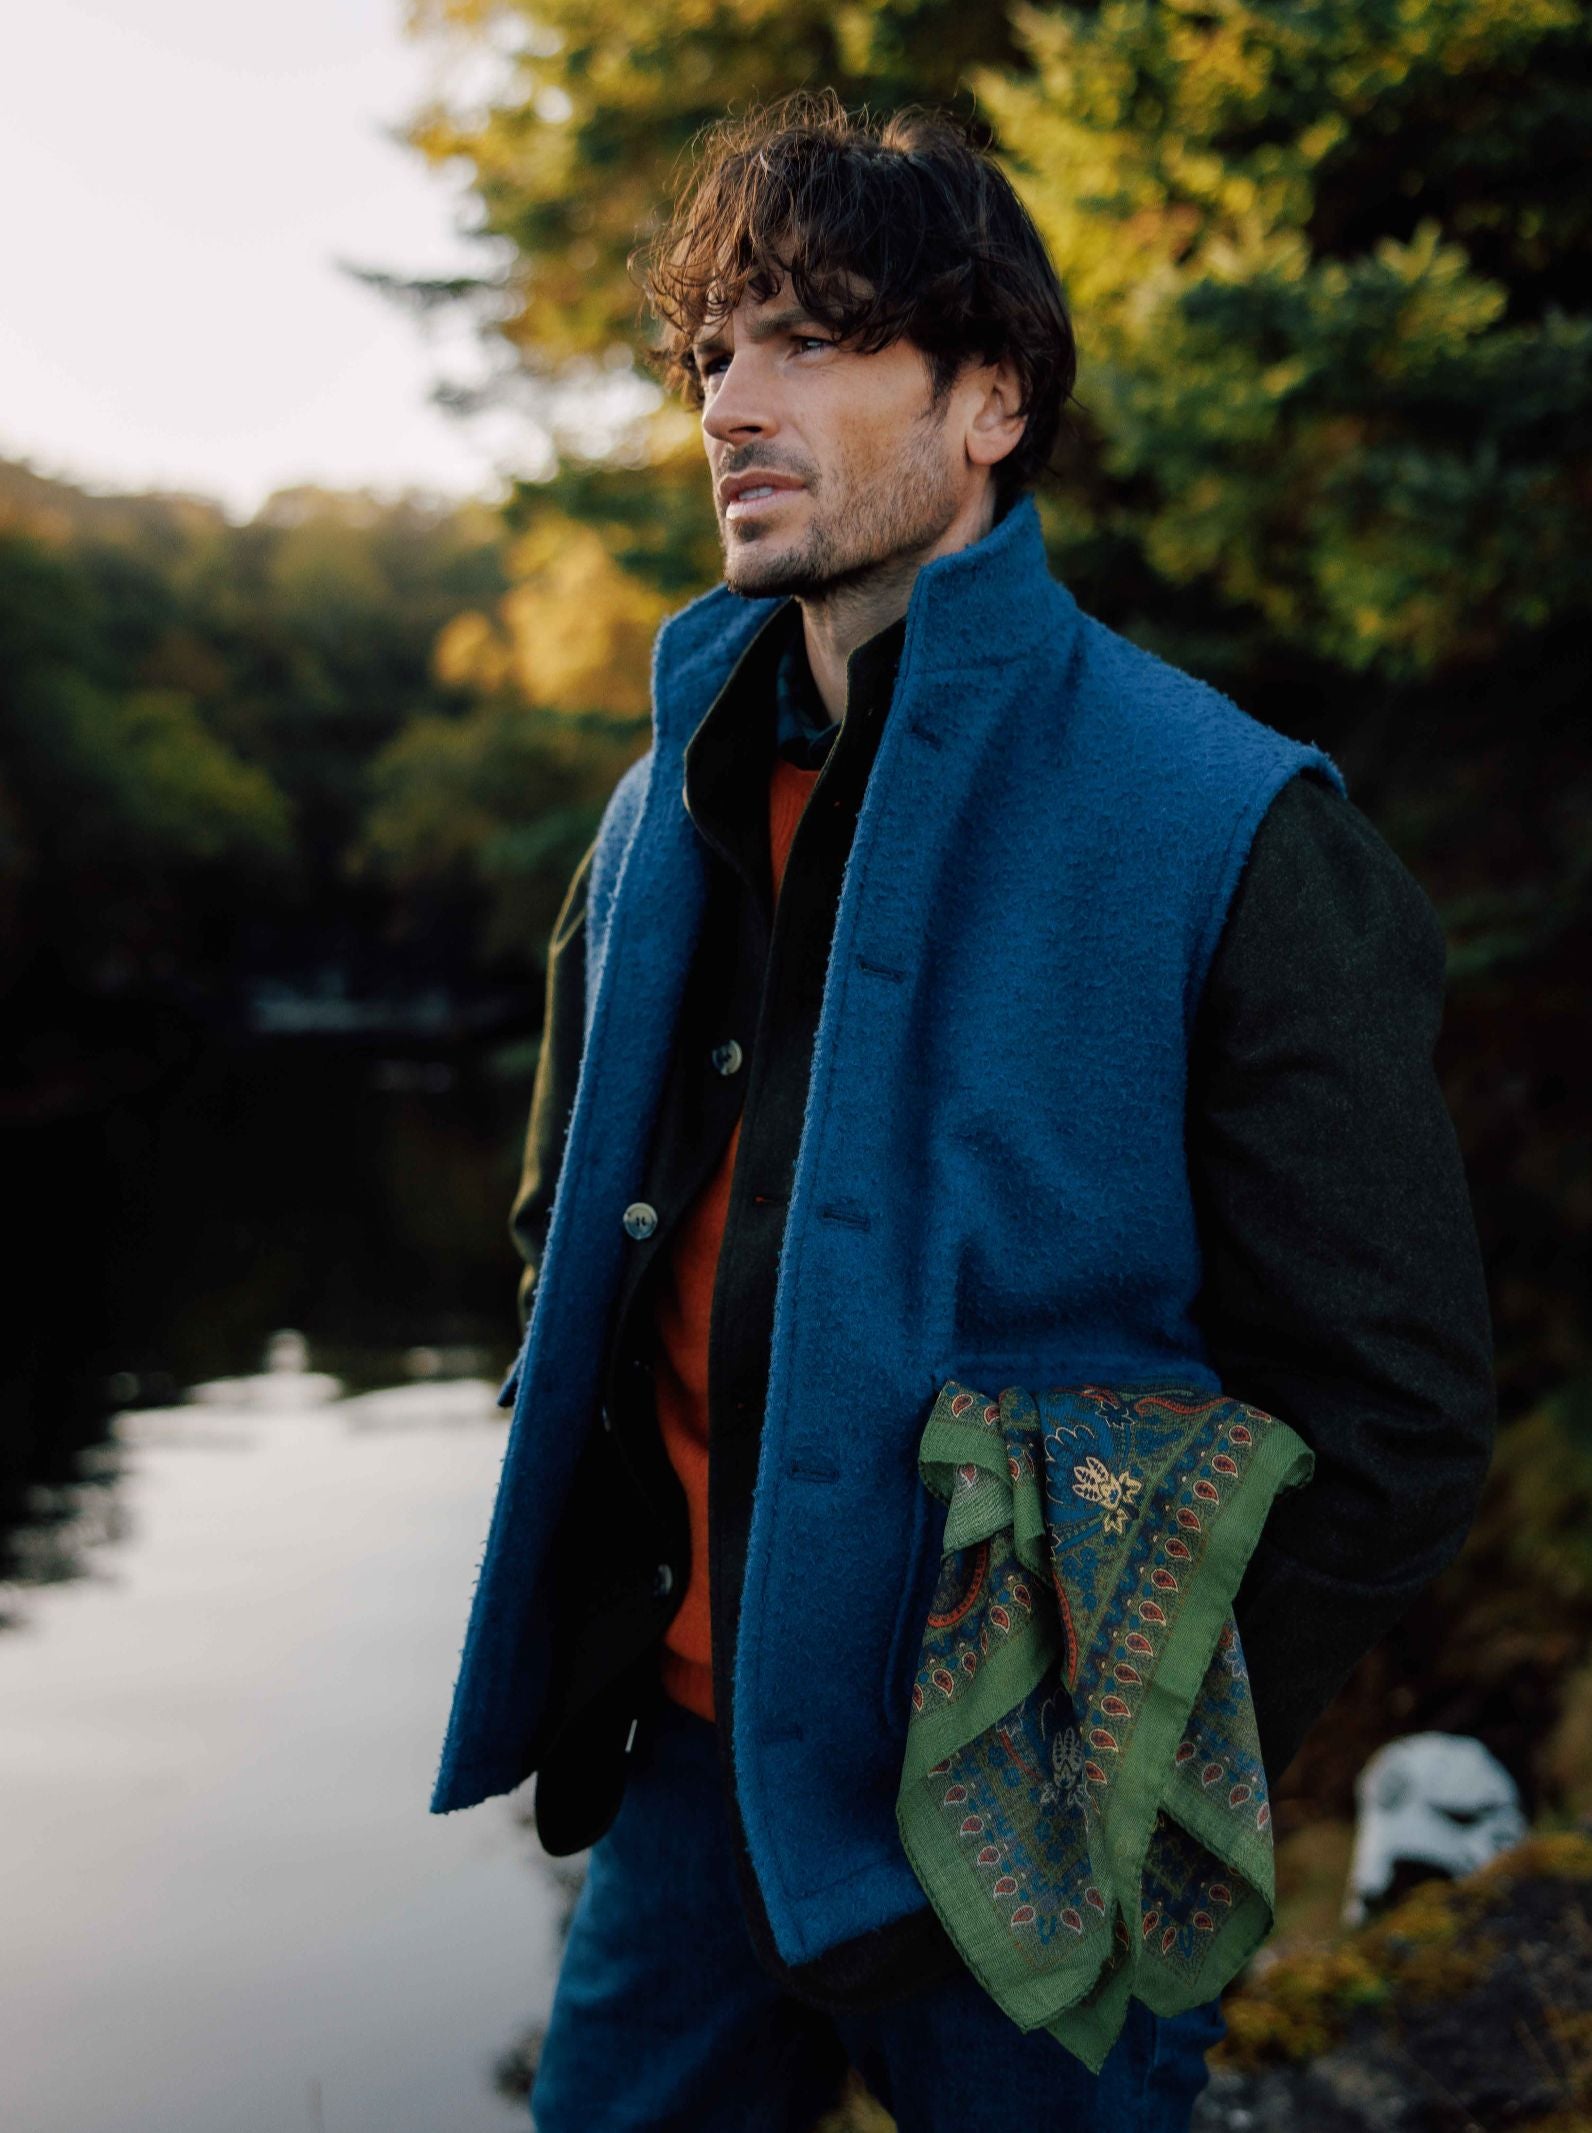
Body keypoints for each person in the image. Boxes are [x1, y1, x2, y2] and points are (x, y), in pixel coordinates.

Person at [432, 91, 1497, 2131]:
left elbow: (1391, 1405)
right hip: (682, 1797)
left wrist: (1134, 1748)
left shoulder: (1232, 825)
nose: (734, 398)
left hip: (1046, 1847)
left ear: (989, 399)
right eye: (714, 351)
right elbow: (557, 1230)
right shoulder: (648, 817)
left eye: (812, 336)